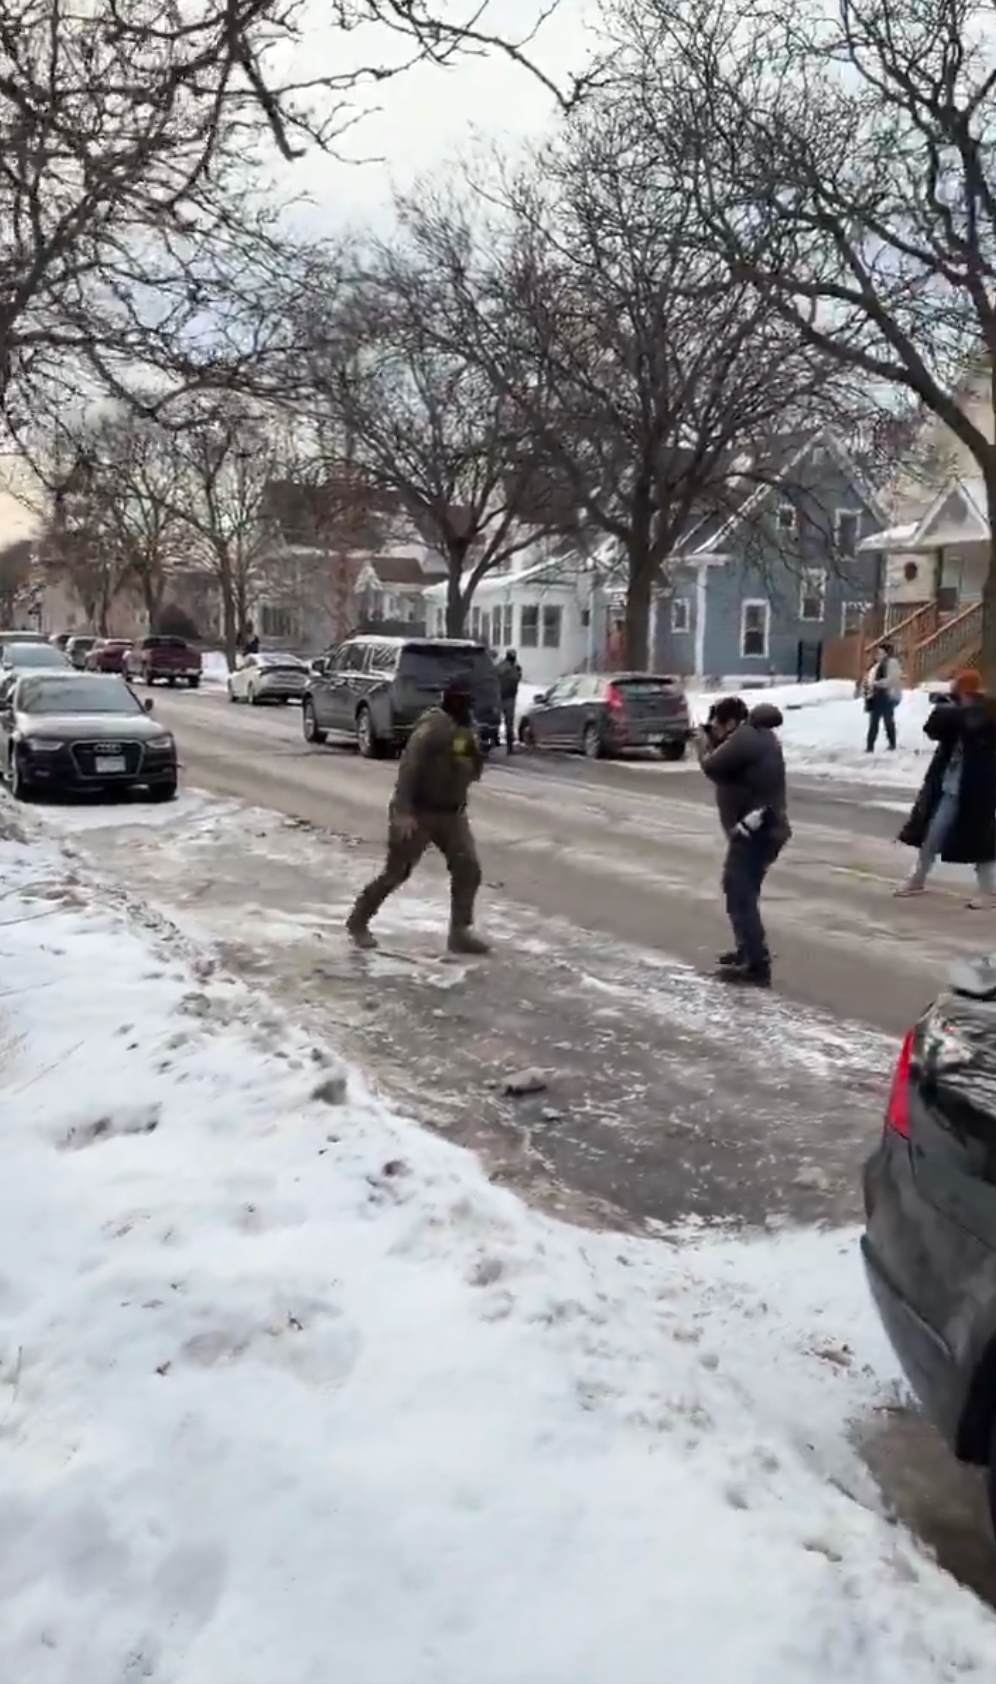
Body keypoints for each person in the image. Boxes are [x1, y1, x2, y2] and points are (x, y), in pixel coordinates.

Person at [346, 678, 490, 953]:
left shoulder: (463, 730)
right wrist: (403, 813)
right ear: (452, 701)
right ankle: (358, 921)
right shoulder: (432, 728)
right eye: (464, 702)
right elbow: (409, 769)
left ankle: (460, 932)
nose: (469, 708)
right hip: (419, 811)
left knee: (468, 868)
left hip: (451, 813)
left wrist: (472, 754)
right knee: (396, 872)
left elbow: (472, 766)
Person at [698, 695, 792, 987]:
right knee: (740, 891)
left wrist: (703, 744)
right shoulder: (754, 736)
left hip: (758, 828)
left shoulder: (746, 737)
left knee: (740, 893)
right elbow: (727, 771)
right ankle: (747, 951)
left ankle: (755, 965)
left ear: (731, 722)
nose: (716, 730)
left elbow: (712, 766)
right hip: (761, 827)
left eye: (718, 724)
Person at [895, 669, 996, 906]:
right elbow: (933, 729)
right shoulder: (958, 714)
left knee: (980, 841)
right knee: (934, 835)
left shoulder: (986, 713)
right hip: (950, 786)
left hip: (975, 789)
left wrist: (951, 708)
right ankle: (917, 879)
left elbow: (972, 722)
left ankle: (988, 892)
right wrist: (946, 707)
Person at [863, 639, 902, 752]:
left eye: (880, 652)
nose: (878, 654)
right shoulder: (878, 664)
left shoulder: (892, 663)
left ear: (886, 653)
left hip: (886, 696)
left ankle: (892, 743)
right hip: (876, 696)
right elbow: (871, 677)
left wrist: (878, 683)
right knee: (874, 721)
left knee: (887, 720)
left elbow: (892, 679)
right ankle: (870, 746)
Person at [495, 649, 522, 754]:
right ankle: (509, 747)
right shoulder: (513, 669)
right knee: (509, 723)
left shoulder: (499, 667)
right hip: (509, 698)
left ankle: (494, 741)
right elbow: (517, 679)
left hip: (499, 697)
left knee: (496, 721)